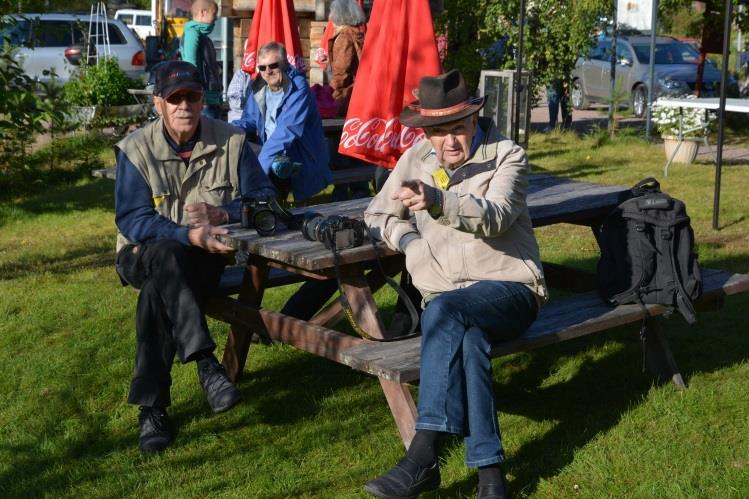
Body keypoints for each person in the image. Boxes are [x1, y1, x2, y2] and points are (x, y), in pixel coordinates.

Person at [362, 69, 547, 499]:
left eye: (458, 129)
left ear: (474, 121)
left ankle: (423, 452)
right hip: (451, 299)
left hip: (511, 289)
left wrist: (439, 201)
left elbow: (497, 215)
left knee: (444, 312)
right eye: (438, 132)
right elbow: (376, 215)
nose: (448, 142)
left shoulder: (507, 156)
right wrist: (409, 242)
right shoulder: (416, 159)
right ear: (425, 131)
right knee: (468, 342)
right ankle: (491, 476)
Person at [114, 61, 277, 453]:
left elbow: (267, 200)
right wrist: (187, 234)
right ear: (159, 104)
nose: (184, 105)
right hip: (140, 255)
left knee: (159, 290)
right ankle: (207, 364)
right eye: (175, 99)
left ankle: (152, 408)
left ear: (204, 100)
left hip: (204, 258)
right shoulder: (135, 149)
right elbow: (134, 220)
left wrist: (224, 214)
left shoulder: (232, 141)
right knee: (166, 254)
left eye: (192, 96)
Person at [232, 41, 332, 201]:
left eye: (273, 65)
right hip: (271, 153)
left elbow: (287, 131)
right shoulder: (259, 87)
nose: (267, 72)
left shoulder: (299, 89)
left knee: (267, 170)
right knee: (235, 154)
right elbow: (249, 121)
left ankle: (263, 209)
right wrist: (227, 131)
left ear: (285, 64)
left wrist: (259, 168)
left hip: (298, 159)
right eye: (262, 67)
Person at [326, 0, 370, 201]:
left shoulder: (343, 36)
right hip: (360, 98)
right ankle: (360, 187)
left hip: (346, 100)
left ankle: (342, 190)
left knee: (341, 146)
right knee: (357, 142)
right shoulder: (360, 34)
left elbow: (341, 72)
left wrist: (332, 94)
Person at [182, 0, 222, 119]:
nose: (215, 19)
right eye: (214, 14)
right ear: (203, 13)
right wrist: (198, 97)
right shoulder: (192, 33)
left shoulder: (201, 35)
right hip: (204, 102)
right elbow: (190, 66)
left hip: (210, 99)